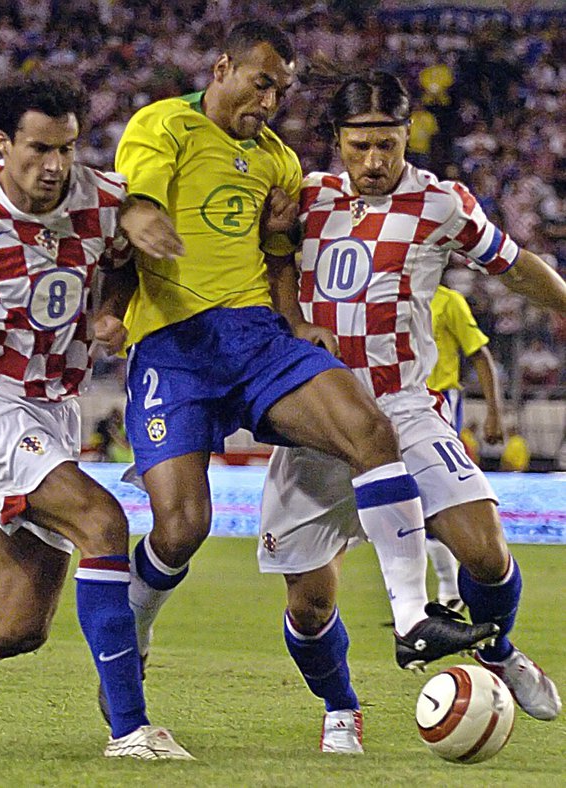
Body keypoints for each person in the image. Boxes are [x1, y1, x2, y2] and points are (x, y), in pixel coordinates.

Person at [107, 23, 497, 751]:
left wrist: (292, 314)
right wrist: (131, 234)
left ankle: (412, 617)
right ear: (221, 66)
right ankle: (135, 627)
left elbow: (281, 250)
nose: (271, 100)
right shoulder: (162, 124)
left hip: (258, 339)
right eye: (261, 83)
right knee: (182, 528)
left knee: (369, 427)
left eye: (282, 90)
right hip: (175, 347)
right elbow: (138, 204)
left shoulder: (280, 163)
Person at [257, 70, 563, 752]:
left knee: (485, 554)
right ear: (336, 140)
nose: (374, 162)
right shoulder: (304, 199)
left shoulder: (440, 202)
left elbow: (513, 265)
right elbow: (267, 267)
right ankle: (341, 706)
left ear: (407, 139)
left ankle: (497, 651)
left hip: (404, 406)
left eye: (388, 146)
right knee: (308, 607)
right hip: (316, 415)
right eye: (360, 146)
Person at [0, 75, 192, 760]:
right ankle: (130, 730)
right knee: (103, 521)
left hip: (54, 408)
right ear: (3, 143)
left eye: (66, 148)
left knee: (19, 625)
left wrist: (112, 311)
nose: (55, 166)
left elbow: (122, 261)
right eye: (38, 149)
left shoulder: (104, 200)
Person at [425, 282, 505, 611]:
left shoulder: (447, 301)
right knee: (412, 501)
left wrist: (494, 412)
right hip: (396, 404)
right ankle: (434, 592)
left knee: (431, 495)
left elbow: (479, 353)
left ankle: (449, 587)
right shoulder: (388, 296)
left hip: (438, 403)